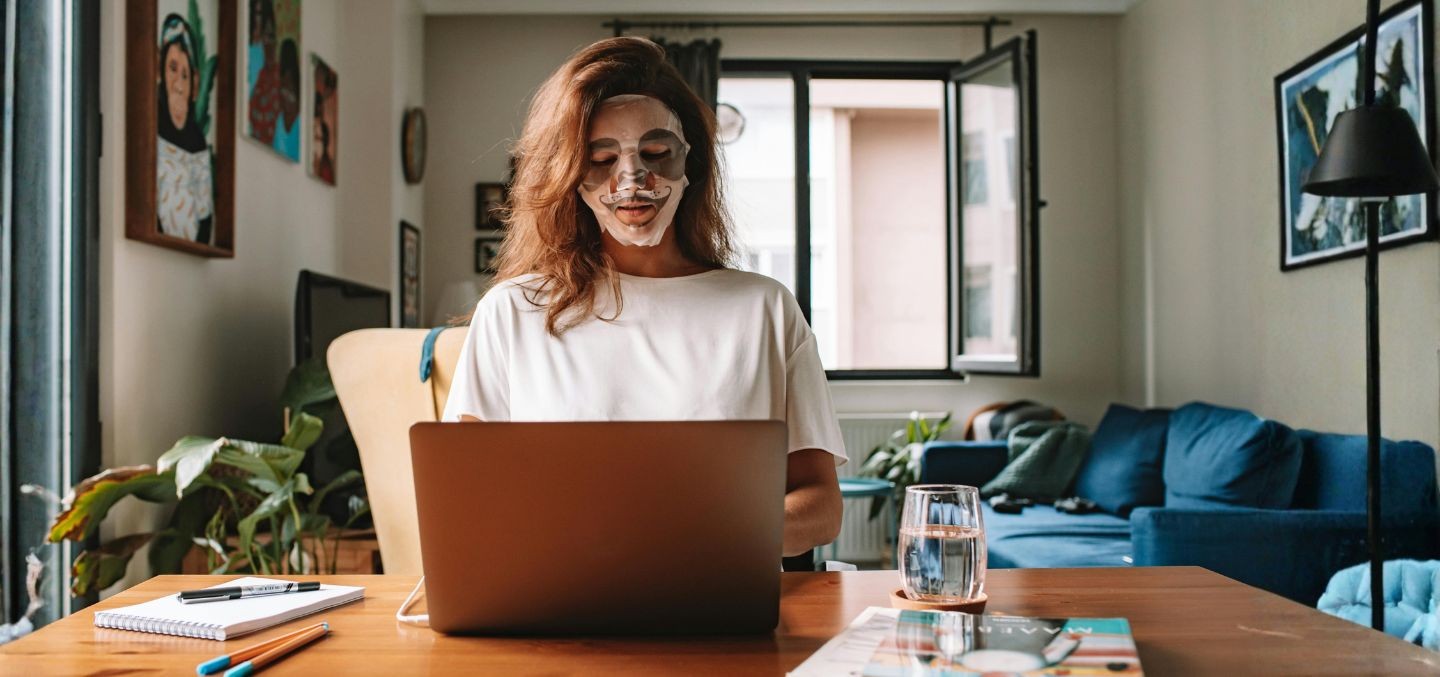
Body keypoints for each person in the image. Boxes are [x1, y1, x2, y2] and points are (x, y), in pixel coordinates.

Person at [443, 37, 845, 560]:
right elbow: (467, 498)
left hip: (718, 601)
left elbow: (820, 505)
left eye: (656, 154)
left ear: (691, 165)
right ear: (570, 178)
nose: (632, 180)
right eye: (601, 159)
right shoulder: (512, 312)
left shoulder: (764, 309)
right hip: (561, 602)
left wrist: (710, 537)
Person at [156, 13, 213, 243]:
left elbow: (205, 211)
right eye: (172, 69)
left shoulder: (197, 143)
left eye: (185, 75)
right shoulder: (154, 134)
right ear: (160, 73)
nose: (179, 86)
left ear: (194, 85)